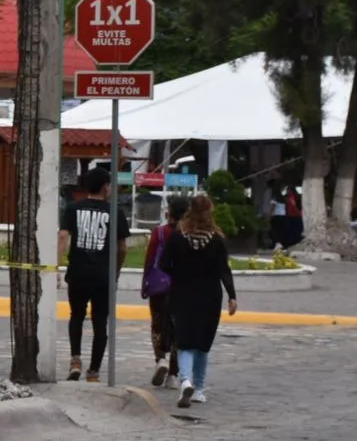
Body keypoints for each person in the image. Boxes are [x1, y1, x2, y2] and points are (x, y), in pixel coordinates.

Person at [160, 193, 239, 408]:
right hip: (209, 296)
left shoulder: (178, 236)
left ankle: (185, 380)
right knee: (202, 345)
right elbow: (224, 270)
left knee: (184, 341)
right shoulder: (217, 239)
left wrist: (180, 271)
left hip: (182, 293)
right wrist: (232, 296)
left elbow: (164, 264)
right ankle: (199, 389)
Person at [58, 166, 130, 383]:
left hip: (78, 273)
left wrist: (55, 268)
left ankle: (75, 361)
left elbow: (63, 237)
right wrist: (114, 273)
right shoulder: (115, 212)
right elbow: (123, 248)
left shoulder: (72, 208)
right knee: (100, 323)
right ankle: (94, 371)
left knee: (76, 317)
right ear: (106, 186)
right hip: (103, 276)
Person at [141, 195, 190, 387]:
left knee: (158, 324)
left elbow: (150, 258)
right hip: (182, 287)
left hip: (159, 287)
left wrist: (146, 281)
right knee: (179, 330)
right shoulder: (189, 234)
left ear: (168, 212)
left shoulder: (159, 233)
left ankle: (160, 359)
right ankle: (173, 375)